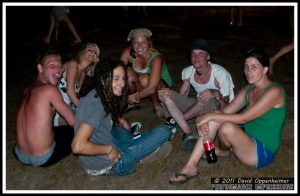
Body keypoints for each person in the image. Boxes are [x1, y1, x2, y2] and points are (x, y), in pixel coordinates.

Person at [169, 49, 286, 185]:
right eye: (246, 67)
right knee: (218, 119)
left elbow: (243, 118)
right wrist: (207, 120)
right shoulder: (248, 89)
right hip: (246, 138)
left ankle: (208, 157)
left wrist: (209, 116)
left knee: (226, 126)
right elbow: (226, 112)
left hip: (261, 152)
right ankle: (192, 166)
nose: (248, 71)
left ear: (265, 69)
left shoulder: (274, 91)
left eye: (254, 67)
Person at [71, 59, 173, 176]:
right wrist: (109, 150)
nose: (122, 83)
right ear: (103, 79)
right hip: (110, 164)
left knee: (119, 128)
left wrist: (119, 119)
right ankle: (141, 153)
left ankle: (139, 149)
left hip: (100, 150)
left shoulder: (96, 92)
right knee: (164, 131)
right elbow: (77, 146)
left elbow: (100, 119)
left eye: (123, 78)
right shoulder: (96, 106)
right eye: (116, 79)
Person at [158, 38, 235, 152]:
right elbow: (181, 96)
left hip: (215, 110)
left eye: (200, 54)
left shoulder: (220, 74)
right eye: (193, 54)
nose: (196, 57)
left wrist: (215, 93)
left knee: (207, 98)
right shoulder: (188, 72)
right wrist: (166, 96)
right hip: (197, 107)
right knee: (167, 94)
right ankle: (188, 132)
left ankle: (179, 120)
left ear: (208, 57)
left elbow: (226, 107)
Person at [13, 49, 75, 167]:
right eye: (52, 65)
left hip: (19, 153)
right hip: (43, 158)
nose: (58, 69)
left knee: (57, 129)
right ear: (40, 68)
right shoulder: (50, 90)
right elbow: (74, 122)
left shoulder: (27, 90)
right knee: (79, 129)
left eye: (59, 65)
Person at [120, 27, 173, 118]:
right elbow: (117, 72)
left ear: (149, 43)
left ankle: (156, 105)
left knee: (144, 78)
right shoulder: (127, 53)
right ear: (131, 44)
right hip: (143, 83)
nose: (139, 46)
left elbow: (151, 88)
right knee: (127, 73)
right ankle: (134, 104)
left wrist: (131, 98)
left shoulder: (156, 58)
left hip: (161, 87)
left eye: (143, 42)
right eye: (136, 42)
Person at [53, 42, 100, 126]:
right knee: (87, 123)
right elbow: (70, 93)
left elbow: (102, 74)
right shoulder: (73, 64)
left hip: (68, 107)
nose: (93, 53)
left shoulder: (83, 74)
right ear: (83, 52)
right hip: (56, 108)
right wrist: (84, 109)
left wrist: (98, 63)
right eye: (90, 50)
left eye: (95, 52)